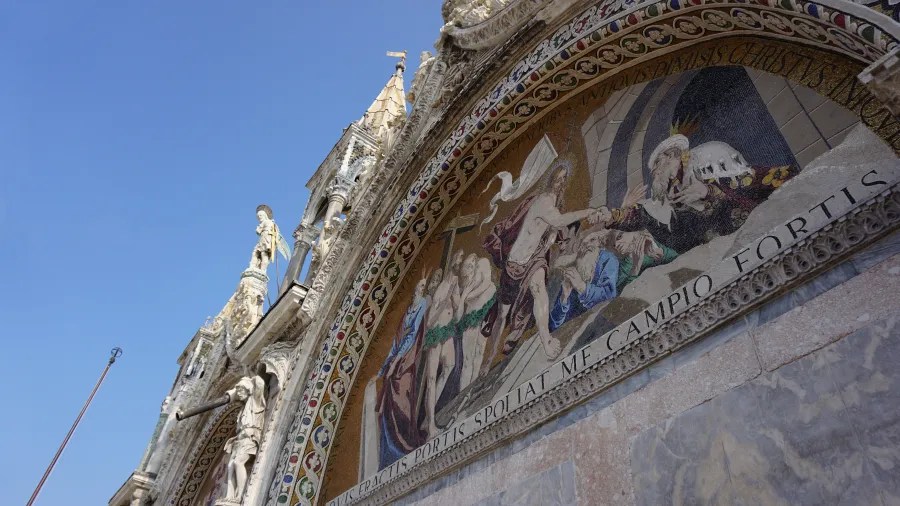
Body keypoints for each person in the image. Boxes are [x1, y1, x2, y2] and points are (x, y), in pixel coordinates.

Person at [481, 162, 603, 372]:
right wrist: (589, 211)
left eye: (565, 178)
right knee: (502, 314)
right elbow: (557, 220)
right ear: (550, 178)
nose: (561, 182)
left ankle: (546, 340)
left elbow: (554, 230)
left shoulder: (555, 204)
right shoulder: (543, 200)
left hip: (533, 260)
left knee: (539, 290)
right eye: (558, 177)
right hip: (514, 263)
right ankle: (488, 359)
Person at [597, 135, 797, 254]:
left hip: (755, 229)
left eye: (657, 164)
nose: (654, 172)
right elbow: (645, 215)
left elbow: (746, 184)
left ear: (671, 155)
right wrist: (613, 216)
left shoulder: (708, 158)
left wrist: (708, 192)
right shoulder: (669, 191)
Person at [375, 276, 429, 469]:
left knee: (402, 395)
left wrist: (396, 362)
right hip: (397, 359)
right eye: (418, 285)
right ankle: (390, 449)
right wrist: (384, 367)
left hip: (407, 360)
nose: (419, 289)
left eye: (423, 286)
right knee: (390, 401)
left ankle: (405, 441)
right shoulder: (407, 311)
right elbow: (396, 343)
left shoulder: (422, 304)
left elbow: (412, 334)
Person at [421, 251, 464, 437]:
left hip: (447, 332)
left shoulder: (454, 286)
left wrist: (456, 302)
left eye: (462, 261)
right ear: (453, 261)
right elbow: (430, 322)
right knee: (430, 379)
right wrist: (443, 303)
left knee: (450, 366)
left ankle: (427, 419)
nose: (460, 263)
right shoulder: (441, 289)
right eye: (458, 259)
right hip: (436, 335)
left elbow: (456, 315)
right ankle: (430, 425)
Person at [549, 230, 619, 331]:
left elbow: (609, 296)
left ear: (600, 243)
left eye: (592, 240)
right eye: (583, 243)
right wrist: (563, 298)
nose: (588, 245)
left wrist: (581, 286)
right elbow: (554, 324)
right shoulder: (576, 268)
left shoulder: (608, 259)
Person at [456, 253, 496, 390]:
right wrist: (463, 297)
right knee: (468, 359)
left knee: (479, 351)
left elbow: (486, 283)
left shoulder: (483, 261)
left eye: (470, 264)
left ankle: (471, 389)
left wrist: (467, 295)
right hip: (472, 317)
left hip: (486, 311)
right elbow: (459, 313)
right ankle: (463, 393)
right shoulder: (465, 283)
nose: (470, 266)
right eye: (467, 266)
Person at [223, 374, 266, 501]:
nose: (239, 394)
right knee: (231, 466)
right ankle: (229, 496)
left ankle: (239, 495)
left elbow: (259, 383)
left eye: (241, 391)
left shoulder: (255, 402)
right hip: (239, 441)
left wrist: (249, 377)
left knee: (238, 462)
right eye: (238, 391)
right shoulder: (243, 409)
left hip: (250, 438)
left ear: (249, 390)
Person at [249, 205, 277, 271]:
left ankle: (261, 269)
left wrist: (258, 228)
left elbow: (258, 231)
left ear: (265, 216)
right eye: (258, 216)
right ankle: (258, 268)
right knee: (259, 253)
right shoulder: (271, 222)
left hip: (265, 239)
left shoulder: (266, 222)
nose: (259, 218)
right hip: (264, 238)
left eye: (260, 216)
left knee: (262, 253)